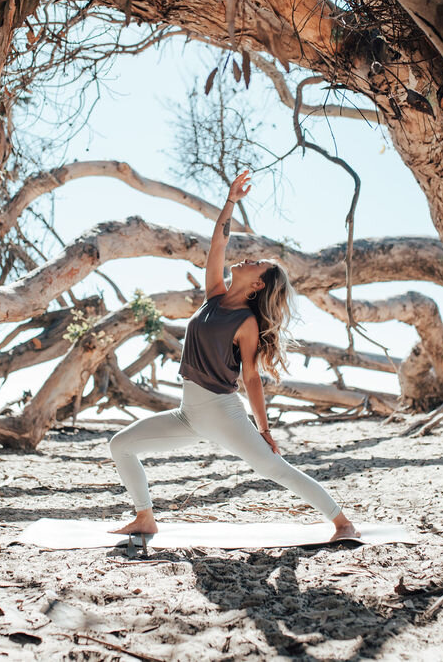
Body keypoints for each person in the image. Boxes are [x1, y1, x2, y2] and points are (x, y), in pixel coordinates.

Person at [108, 170, 360, 541]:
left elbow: (251, 377)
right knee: (121, 445)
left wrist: (264, 429)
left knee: (274, 468)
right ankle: (145, 518)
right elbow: (218, 245)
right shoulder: (214, 295)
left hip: (222, 412)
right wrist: (230, 201)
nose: (249, 259)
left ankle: (343, 524)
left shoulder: (246, 322)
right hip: (188, 414)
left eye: (258, 264)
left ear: (257, 285)